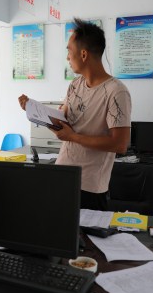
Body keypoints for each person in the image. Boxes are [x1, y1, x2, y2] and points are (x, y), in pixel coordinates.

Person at [19, 18, 132, 210]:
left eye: (69, 51)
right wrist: (34, 109)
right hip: (63, 174)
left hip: (89, 186)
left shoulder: (116, 91)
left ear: (83, 54)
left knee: (85, 230)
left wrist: (73, 137)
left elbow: (120, 144)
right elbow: (62, 125)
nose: (67, 57)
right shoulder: (75, 84)